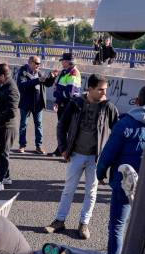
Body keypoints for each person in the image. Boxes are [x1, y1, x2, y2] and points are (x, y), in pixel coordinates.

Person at [45, 74, 118, 238]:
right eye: (100, 89)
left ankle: (84, 224)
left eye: (105, 89)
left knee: (91, 192)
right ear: (90, 88)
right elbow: (61, 125)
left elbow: (117, 134)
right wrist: (63, 148)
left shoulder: (109, 108)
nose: (104, 93)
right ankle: (59, 221)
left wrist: (108, 158)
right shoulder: (76, 103)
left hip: (95, 158)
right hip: (76, 155)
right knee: (68, 190)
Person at [97, 85, 145, 254]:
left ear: (138, 101)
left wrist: (100, 173)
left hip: (125, 183)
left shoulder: (125, 123)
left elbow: (108, 153)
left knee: (117, 225)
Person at [0, 63, 20, 193]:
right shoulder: (1, 86)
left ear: (2, 75)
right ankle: (6, 176)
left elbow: (12, 111)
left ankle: (0, 181)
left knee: (3, 154)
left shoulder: (12, 89)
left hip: (7, 127)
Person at [45, 53, 82, 156]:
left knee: (69, 129)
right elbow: (60, 87)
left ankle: (68, 152)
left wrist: (57, 94)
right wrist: (57, 101)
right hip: (62, 104)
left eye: (63, 60)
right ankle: (61, 150)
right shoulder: (65, 72)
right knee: (62, 128)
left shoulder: (73, 73)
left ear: (68, 62)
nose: (61, 62)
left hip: (69, 104)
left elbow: (70, 93)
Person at [16, 56, 50, 154]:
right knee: (23, 125)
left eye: (39, 63)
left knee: (39, 125)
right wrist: (37, 80)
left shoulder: (39, 72)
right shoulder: (23, 72)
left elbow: (47, 84)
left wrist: (52, 77)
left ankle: (38, 146)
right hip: (26, 103)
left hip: (38, 104)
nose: (38, 65)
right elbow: (22, 86)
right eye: (36, 63)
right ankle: (22, 145)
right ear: (30, 62)